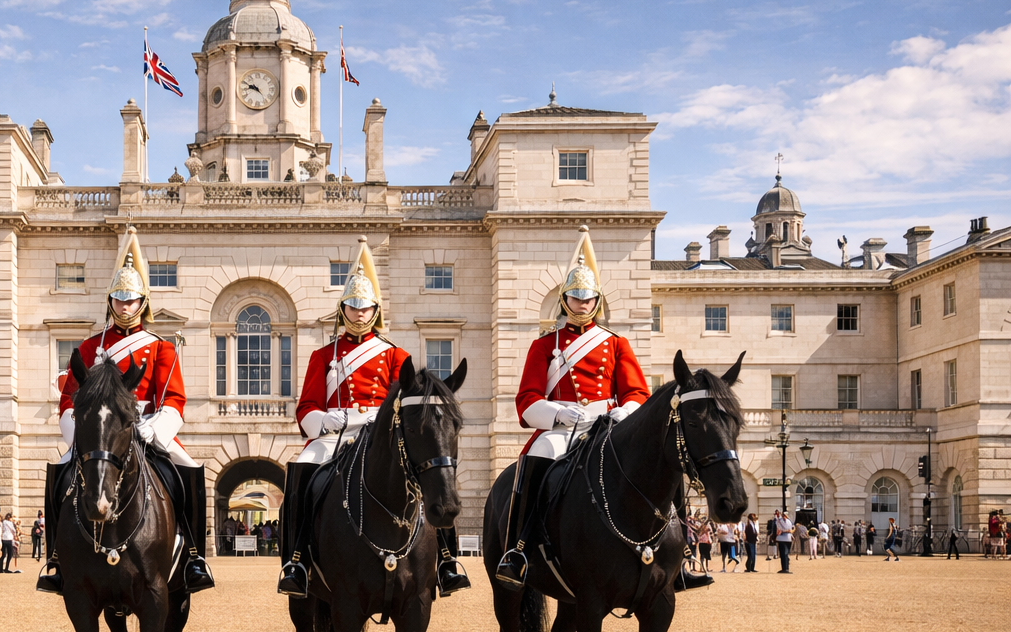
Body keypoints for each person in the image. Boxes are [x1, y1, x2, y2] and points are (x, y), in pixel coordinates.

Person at [494, 227, 704, 591]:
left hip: (609, 427)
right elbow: (526, 401)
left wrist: (626, 412)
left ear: (597, 300)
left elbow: (637, 390)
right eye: (576, 298)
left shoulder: (616, 343)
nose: (582, 304)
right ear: (564, 300)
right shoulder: (544, 346)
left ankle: (680, 557)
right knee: (535, 458)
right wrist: (558, 413)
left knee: (665, 461)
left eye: (588, 298)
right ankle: (519, 550)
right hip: (563, 430)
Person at [277, 238, 468, 598]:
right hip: (332, 437)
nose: (359, 313)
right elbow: (305, 409)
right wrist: (327, 420)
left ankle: (445, 560)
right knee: (302, 471)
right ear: (343, 309)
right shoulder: (323, 355)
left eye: (365, 307)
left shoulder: (397, 355)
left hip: (381, 436)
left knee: (430, 472)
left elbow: (409, 402)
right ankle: (297, 561)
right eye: (352, 306)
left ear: (375, 310)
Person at [40, 226, 213, 595]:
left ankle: (195, 557)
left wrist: (155, 428)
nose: (124, 306)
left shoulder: (161, 348)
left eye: (131, 300)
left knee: (189, 470)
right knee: (59, 470)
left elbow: (175, 400)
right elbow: (69, 399)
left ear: (142, 303)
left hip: (148, 428)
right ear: (110, 302)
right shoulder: (89, 348)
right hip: (99, 433)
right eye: (118, 299)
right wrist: (81, 434)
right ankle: (56, 558)